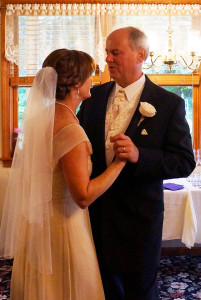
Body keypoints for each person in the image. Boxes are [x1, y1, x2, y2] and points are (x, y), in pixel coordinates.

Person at [78, 27, 196, 300]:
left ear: (140, 54)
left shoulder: (169, 104)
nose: (107, 59)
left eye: (115, 52)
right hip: (95, 218)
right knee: (103, 291)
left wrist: (140, 156)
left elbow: (184, 162)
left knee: (140, 293)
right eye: (107, 52)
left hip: (139, 223)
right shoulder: (92, 99)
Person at [0, 49, 126, 300]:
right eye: (90, 75)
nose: (94, 80)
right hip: (64, 228)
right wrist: (120, 163)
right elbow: (83, 195)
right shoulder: (71, 130)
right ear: (76, 85)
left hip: (39, 225)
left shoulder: (42, 119)